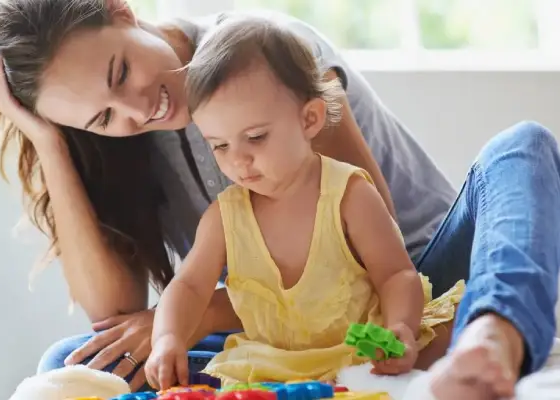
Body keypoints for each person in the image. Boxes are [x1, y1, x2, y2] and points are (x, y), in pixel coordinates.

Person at [0, 0, 558, 398]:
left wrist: (195, 311)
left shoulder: (264, 54)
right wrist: (50, 141)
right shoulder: (122, 141)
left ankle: (492, 334)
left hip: (414, 278)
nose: (135, 109)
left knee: (522, 146)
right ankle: (301, 380)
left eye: (120, 70)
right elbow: (113, 309)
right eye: (101, 117)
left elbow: (349, 252)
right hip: (284, 327)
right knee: (73, 367)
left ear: (122, 10)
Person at [143, 17, 465, 389]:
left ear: (309, 118)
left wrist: (400, 330)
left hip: (359, 358)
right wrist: (166, 338)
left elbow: (396, 274)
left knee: (452, 323)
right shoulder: (224, 219)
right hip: (273, 368)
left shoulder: (349, 195)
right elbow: (189, 288)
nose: (238, 160)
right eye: (219, 145)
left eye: (256, 137)